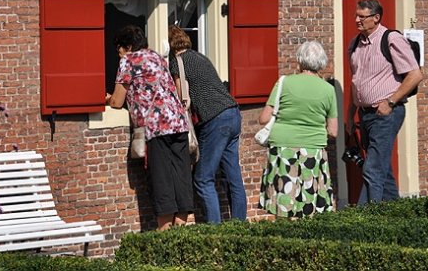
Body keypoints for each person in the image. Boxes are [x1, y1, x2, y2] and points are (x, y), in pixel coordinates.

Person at [106, 25, 194, 230]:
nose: (119, 56)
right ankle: (182, 235)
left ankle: (164, 237)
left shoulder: (129, 60)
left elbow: (118, 101)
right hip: (178, 123)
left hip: (157, 126)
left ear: (127, 47)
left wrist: (110, 98)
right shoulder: (156, 57)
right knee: (180, 179)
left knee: (162, 182)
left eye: (119, 51)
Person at [168, 25, 247, 223]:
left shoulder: (177, 62)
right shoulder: (201, 57)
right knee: (233, 176)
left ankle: (215, 232)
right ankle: (241, 227)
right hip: (232, 113)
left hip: (215, 120)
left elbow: (180, 97)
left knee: (203, 178)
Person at [348, 0, 423, 204]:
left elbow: (415, 75)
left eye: (362, 17)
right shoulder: (355, 44)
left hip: (386, 113)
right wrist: (350, 115)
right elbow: (356, 83)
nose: (357, 20)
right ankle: (398, 216)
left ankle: (365, 222)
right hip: (365, 115)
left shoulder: (391, 39)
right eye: (356, 15)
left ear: (376, 18)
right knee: (382, 168)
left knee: (372, 169)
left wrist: (390, 102)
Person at [258, 40, 338, 218]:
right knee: (309, 201)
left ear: (299, 61)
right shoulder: (328, 89)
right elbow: (333, 131)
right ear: (322, 63)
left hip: (283, 147)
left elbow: (263, 118)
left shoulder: (284, 82)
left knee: (283, 199)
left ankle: (285, 239)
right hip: (313, 148)